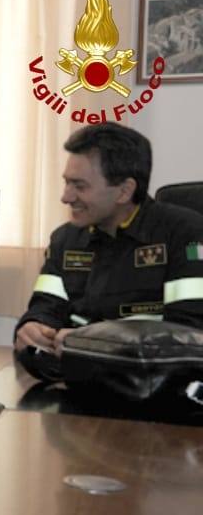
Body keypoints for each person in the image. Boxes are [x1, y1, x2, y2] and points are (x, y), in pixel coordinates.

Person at [15, 122, 203, 355]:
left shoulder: (186, 234)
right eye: (66, 182)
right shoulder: (65, 239)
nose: (66, 197)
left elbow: (190, 333)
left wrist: (96, 341)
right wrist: (32, 327)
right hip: (74, 376)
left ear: (124, 191)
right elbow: (46, 306)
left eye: (79, 186)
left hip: (159, 383)